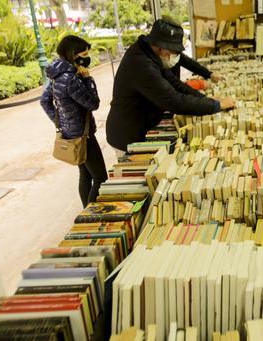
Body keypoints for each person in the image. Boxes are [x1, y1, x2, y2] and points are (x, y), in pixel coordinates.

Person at [106, 18, 236, 152]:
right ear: (161, 47)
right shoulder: (142, 63)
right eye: (174, 52)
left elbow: (175, 83)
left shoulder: (151, 53)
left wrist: (206, 100)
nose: (176, 56)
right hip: (128, 134)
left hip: (143, 124)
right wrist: (216, 105)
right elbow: (174, 101)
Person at [40, 35, 108, 206]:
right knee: (100, 177)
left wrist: (62, 122)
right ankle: (90, 214)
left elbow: (44, 101)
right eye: (84, 55)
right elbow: (93, 104)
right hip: (83, 135)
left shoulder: (57, 75)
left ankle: (86, 209)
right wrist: (88, 79)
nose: (87, 59)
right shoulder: (71, 78)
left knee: (85, 174)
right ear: (74, 55)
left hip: (70, 133)